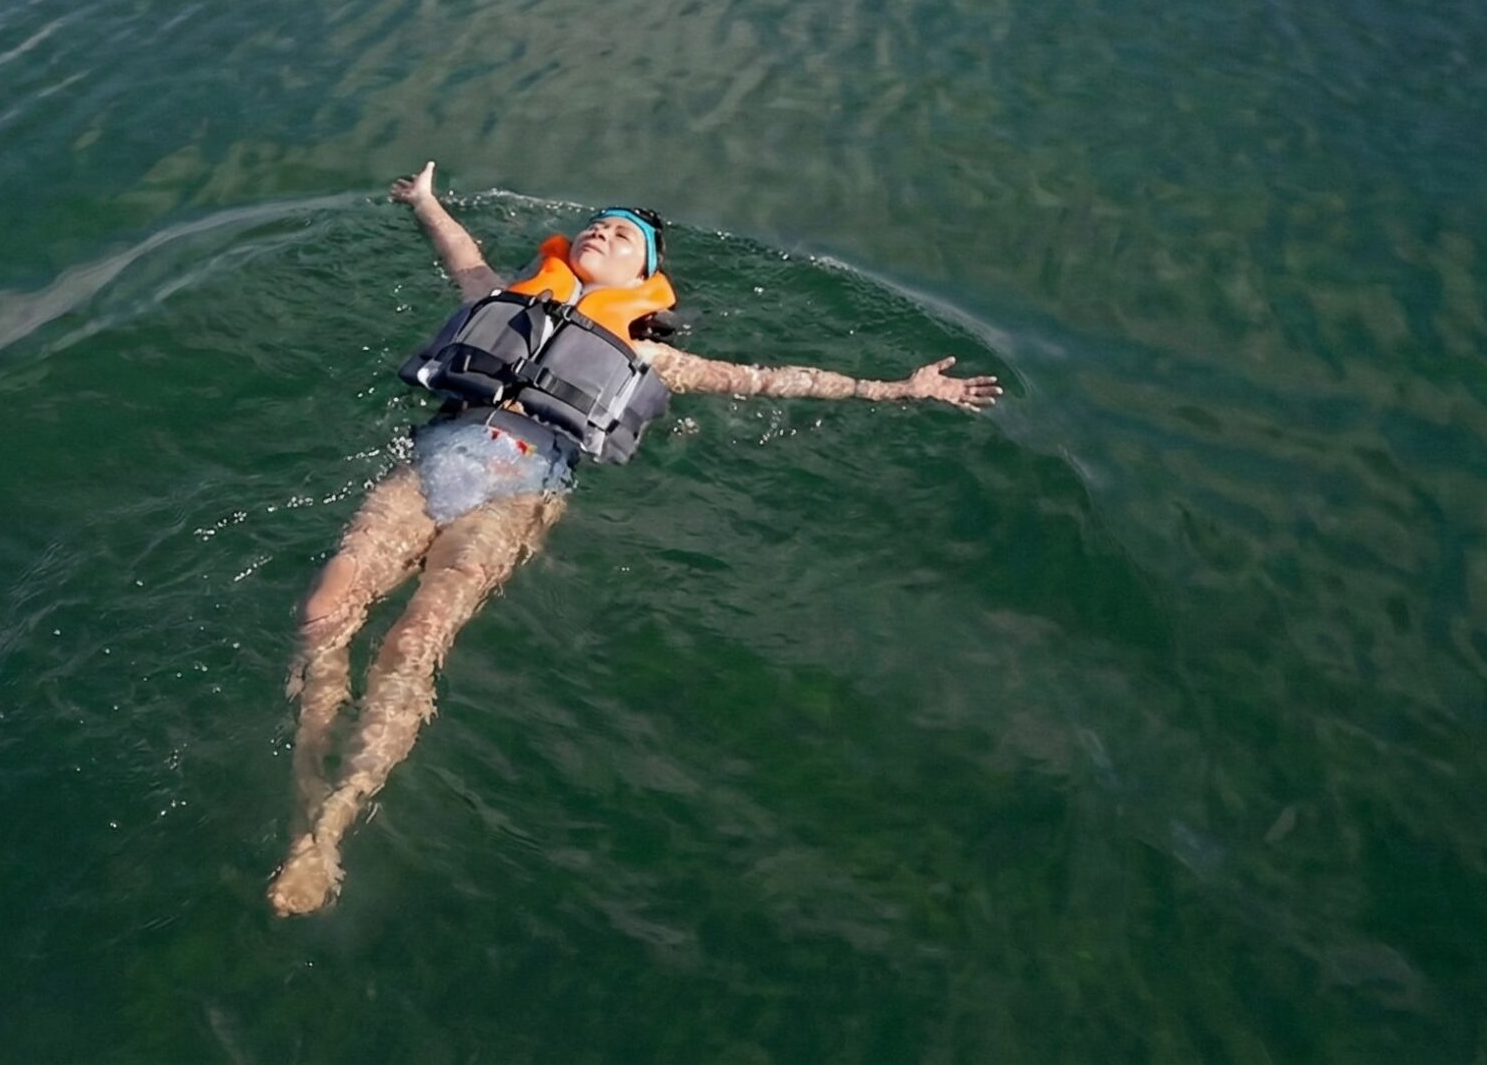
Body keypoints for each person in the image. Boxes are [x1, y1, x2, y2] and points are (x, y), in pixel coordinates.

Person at [268, 161, 1004, 916]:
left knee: (415, 637)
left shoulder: (650, 354)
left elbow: (773, 378)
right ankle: (305, 790)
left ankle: (331, 827)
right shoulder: (496, 293)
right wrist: (425, 200)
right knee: (325, 611)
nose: (602, 231)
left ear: (645, 274)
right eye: (598, 222)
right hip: (435, 459)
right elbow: (458, 250)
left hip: (520, 492)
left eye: (623, 235)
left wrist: (899, 388)